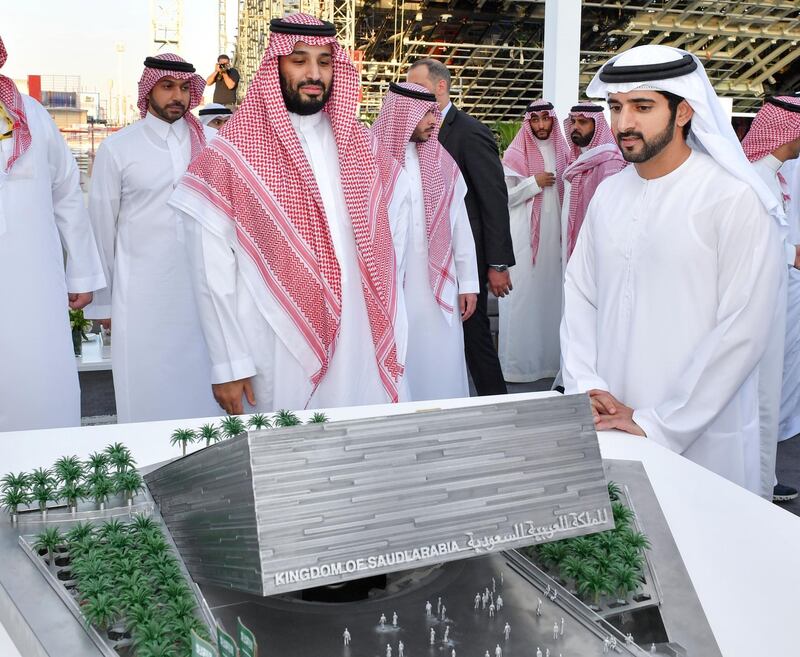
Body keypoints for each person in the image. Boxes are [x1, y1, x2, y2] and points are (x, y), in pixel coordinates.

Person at [561, 44, 783, 497]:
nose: (624, 124)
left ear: (683, 112)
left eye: (643, 107)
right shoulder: (608, 195)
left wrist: (658, 423)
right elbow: (580, 293)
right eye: (617, 107)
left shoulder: (730, 198)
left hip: (699, 431)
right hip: (607, 417)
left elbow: (744, 328)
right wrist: (587, 386)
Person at [170, 13, 410, 414]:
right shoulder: (233, 153)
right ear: (276, 64)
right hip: (277, 340)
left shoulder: (362, 146)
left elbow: (394, 229)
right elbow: (210, 270)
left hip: (360, 335)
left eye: (324, 61)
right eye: (299, 60)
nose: (313, 73)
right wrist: (228, 363)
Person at [85, 54, 218, 423]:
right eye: (167, 86)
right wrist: (103, 305)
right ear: (148, 90)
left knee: (203, 396)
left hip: (202, 295)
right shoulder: (118, 148)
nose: (178, 96)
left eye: (184, 88)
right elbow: (101, 229)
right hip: (141, 299)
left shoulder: (211, 142)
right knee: (146, 391)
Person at [0, 35, 105, 432]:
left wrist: (81, 272)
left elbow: (67, 193)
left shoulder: (33, 115)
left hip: (36, 286)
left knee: (41, 387)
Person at [407, 58, 514, 396]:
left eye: (419, 87)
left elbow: (493, 200)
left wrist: (496, 264)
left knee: (475, 337)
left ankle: (497, 406)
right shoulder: (414, 134)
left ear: (441, 87)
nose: (413, 95)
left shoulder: (469, 131)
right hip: (426, 264)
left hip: (466, 259)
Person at [372, 82, 478, 401]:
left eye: (435, 111)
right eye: (426, 113)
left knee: (438, 361)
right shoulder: (369, 161)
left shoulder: (443, 164)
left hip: (435, 289)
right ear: (403, 114)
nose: (434, 120)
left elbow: (460, 227)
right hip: (388, 287)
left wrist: (468, 282)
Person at [741, 95, 800, 503]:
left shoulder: (771, 174)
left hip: (770, 306)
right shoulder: (755, 180)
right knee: (755, 400)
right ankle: (754, 483)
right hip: (754, 315)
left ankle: (761, 477)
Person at [498, 100, 568, 383]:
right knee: (522, 301)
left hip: (555, 244)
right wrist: (534, 183)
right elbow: (505, 198)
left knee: (552, 300)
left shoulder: (565, 154)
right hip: (523, 242)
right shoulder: (515, 153)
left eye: (545, 119)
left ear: (553, 120)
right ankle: (518, 368)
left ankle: (552, 365)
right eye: (535, 119)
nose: (541, 125)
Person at [561, 103, 625, 265]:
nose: (575, 127)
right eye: (573, 122)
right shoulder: (575, 159)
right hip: (571, 239)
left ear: (597, 126)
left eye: (582, 122)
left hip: (595, 249)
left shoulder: (610, 162)